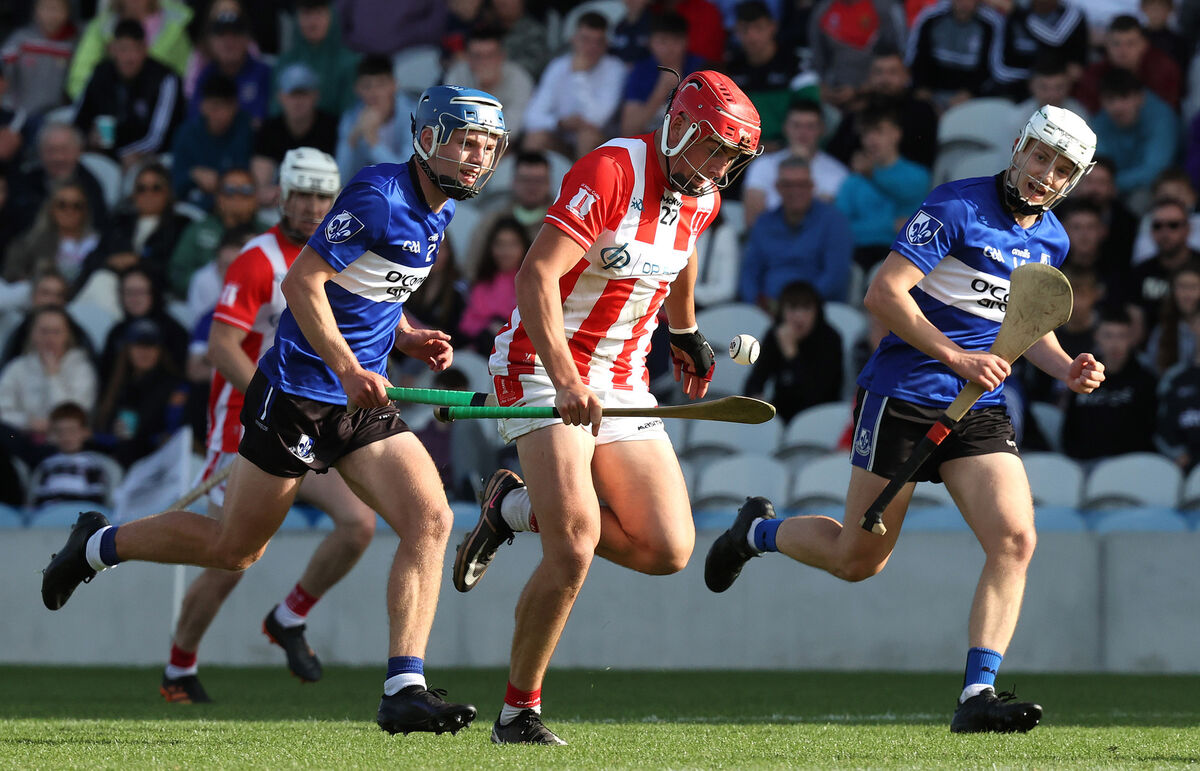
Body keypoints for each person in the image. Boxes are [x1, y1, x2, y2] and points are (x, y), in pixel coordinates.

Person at [40, 84, 510, 737]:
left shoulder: (439, 211)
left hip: (356, 400)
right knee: (235, 550)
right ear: (428, 138)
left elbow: (370, 287)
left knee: (428, 518)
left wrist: (405, 335)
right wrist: (349, 367)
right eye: (465, 141)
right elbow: (302, 282)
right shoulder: (378, 196)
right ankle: (95, 544)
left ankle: (404, 685)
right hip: (296, 393)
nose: (475, 157)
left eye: (486, 147)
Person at [703, 105, 1106, 733]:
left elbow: (1026, 332)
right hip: (906, 394)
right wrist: (955, 355)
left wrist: (1067, 369)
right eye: (1039, 157)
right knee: (857, 560)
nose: (1045, 175)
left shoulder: (1052, 238)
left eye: (1061, 169)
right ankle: (753, 533)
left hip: (978, 407)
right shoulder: (954, 207)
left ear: (1073, 180)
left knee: (1016, 540)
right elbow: (883, 294)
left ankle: (977, 694)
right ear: (1020, 147)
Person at [454, 69, 763, 745]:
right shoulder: (613, 169)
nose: (718, 166)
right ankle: (517, 712)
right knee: (574, 547)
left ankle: (510, 508)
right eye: (711, 148)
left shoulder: (702, 195)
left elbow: (681, 257)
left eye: (730, 157)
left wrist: (683, 331)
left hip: (622, 376)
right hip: (543, 361)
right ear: (678, 126)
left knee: (667, 548)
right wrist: (565, 377)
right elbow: (534, 273)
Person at [159, 148, 381, 703]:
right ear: (281, 196)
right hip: (245, 427)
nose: (310, 207)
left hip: (314, 423)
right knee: (229, 558)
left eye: (321, 196)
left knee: (357, 524)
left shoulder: (346, 254)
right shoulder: (258, 260)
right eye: (300, 194)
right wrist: (271, 395)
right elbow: (220, 346)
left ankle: (288, 616)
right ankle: (179, 667)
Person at [738, 156, 853, 307]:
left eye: (801, 184)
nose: (795, 191)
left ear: (812, 186)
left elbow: (836, 276)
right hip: (766, 311)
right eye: (788, 185)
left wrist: (797, 306)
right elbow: (749, 273)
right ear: (777, 187)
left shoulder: (834, 221)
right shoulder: (764, 223)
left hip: (817, 309)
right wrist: (756, 303)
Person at [71, 17, 184, 170]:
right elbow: (79, 120)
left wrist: (123, 154)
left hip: (149, 159)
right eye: (123, 49)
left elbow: (158, 137)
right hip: (102, 155)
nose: (129, 58)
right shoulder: (100, 72)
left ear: (145, 49)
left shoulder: (165, 78)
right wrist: (88, 137)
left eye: (135, 49)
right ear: (112, 49)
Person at [834, 108, 931, 271]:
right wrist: (890, 226)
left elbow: (907, 196)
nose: (871, 139)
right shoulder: (852, 181)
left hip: (901, 256)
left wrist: (872, 175)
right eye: (866, 133)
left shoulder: (918, 175)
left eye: (878, 131)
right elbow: (840, 228)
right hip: (857, 256)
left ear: (897, 134)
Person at [521, 12, 624, 160]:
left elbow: (596, 120)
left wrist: (579, 76)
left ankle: (585, 183)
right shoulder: (558, 66)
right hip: (562, 139)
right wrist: (560, 123)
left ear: (606, 43)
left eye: (598, 41)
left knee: (586, 136)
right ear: (573, 39)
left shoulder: (615, 68)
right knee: (534, 138)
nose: (592, 47)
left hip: (603, 145)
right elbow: (531, 117)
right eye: (586, 40)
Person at [1061, 306, 1156, 461]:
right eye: (1108, 336)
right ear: (1097, 336)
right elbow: (1070, 428)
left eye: (1121, 336)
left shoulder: (1146, 381)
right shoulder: (1083, 375)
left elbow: (1150, 430)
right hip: (1083, 463)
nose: (1115, 343)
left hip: (1131, 465)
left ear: (1131, 338)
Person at [92, 317, 188, 466]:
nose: (144, 352)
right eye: (138, 346)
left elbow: (172, 434)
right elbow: (106, 428)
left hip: (154, 461)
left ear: (159, 350)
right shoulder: (115, 384)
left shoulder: (174, 386)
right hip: (116, 459)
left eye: (150, 346)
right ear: (127, 349)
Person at [744, 280, 844, 423]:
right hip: (780, 415)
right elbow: (754, 381)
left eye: (806, 308)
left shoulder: (831, 339)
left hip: (821, 418)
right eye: (792, 308)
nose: (799, 316)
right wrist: (755, 399)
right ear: (782, 311)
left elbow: (818, 395)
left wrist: (792, 354)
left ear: (817, 311)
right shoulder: (775, 335)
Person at [169, 167, 271, 299]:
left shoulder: (268, 233)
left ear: (256, 197)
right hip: (206, 301)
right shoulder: (199, 229)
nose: (238, 197)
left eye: (246, 190)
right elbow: (178, 272)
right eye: (230, 190)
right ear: (218, 196)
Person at [251, 63, 339, 208]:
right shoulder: (269, 129)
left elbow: (337, 184)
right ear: (281, 97)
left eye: (303, 94)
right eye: (292, 94)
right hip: (279, 208)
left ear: (315, 96)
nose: (298, 102)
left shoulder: (331, 128)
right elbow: (262, 189)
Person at [169, 74, 255, 211]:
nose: (221, 114)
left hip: (235, 204)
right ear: (203, 106)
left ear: (236, 106)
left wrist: (220, 181)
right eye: (215, 106)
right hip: (192, 207)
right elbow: (175, 183)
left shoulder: (246, 130)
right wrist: (193, 174)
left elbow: (248, 176)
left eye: (227, 106)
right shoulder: (187, 133)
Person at [335, 55, 417, 183]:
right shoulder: (351, 118)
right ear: (357, 89)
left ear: (394, 85)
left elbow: (406, 176)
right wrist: (353, 138)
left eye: (381, 84)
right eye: (367, 86)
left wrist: (372, 140)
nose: (374, 93)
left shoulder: (413, 115)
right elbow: (340, 179)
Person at [27, 401, 118, 508]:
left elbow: (97, 500)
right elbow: (36, 502)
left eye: (72, 431)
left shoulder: (94, 465)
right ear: (52, 434)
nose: (66, 437)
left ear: (85, 432)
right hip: (49, 519)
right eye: (60, 432)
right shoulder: (46, 466)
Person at [459, 216, 528, 352]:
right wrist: (489, 326)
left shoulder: (531, 283)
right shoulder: (482, 282)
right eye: (500, 244)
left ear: (525, 247)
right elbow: (466, 325)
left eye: (513, 244)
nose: (506, 251)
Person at [0, 0, 77, 120]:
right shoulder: (21, 39)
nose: (51, 14)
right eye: (46, 8)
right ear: (35, 11)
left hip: (54, 115)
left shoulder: (72, 44)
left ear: (67, 13)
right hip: (17, 114)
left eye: (57, 9)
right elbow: (3, 68)